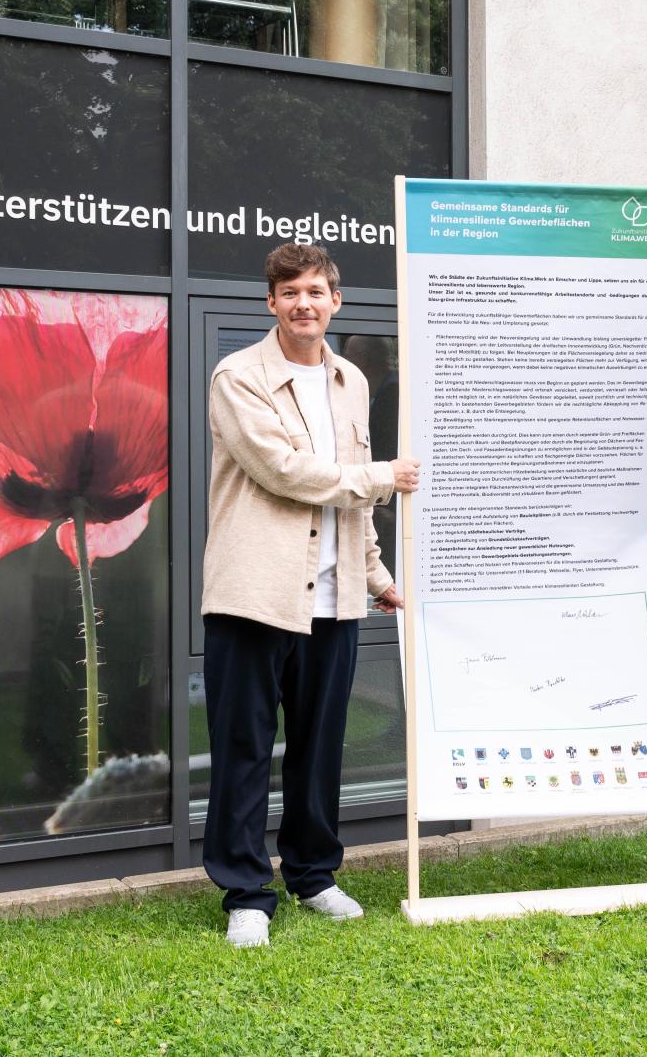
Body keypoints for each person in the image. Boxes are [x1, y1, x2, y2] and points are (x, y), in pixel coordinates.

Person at [201, 242, 419, 948]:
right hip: (255, 592)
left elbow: (351, 495)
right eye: (289, 291)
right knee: (244, 745)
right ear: (271, 303)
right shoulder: (238, 376)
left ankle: (314, 874)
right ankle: (244, 891)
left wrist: (379, 576)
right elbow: (284, 471)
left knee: (320, 745)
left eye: (316, 291)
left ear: (336, 300)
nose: (304, 303)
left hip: (336, 594)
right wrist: (386, 474)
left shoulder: (352, 380)